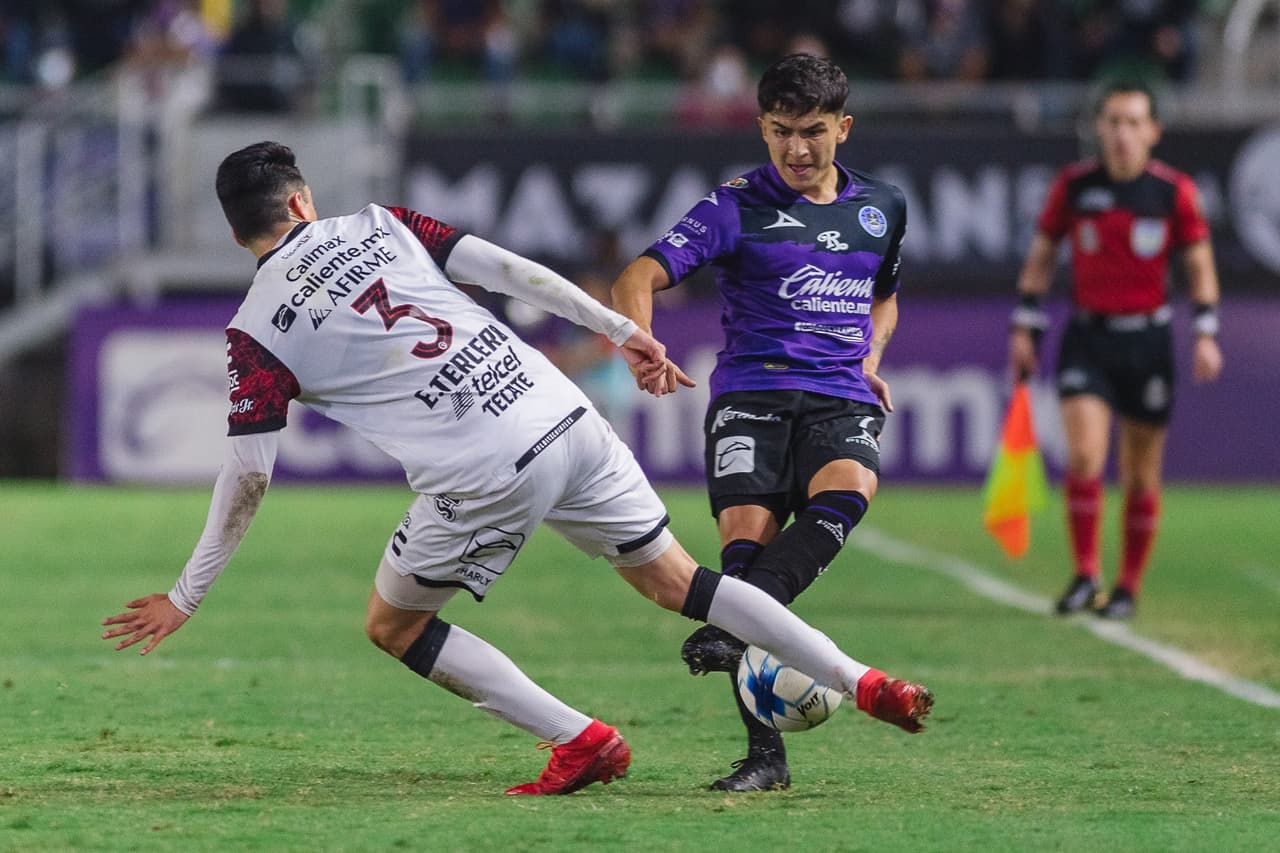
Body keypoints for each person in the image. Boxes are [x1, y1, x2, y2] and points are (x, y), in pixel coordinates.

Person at [101, 141, 933, 797]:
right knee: (682, 581)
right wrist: (617, 327)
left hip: (482, 468)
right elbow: (509, 271)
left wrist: (187, 593)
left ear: (238, 229)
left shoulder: (254, 332)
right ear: (299, 201)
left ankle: (580, 738)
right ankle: (863, 680)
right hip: (563, 413)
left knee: (393, 626)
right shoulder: (382, 223)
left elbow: (249, 474)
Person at [610, 54, 907, 792]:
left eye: (812, 132)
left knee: (848, 493)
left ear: (844, 127)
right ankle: (764, 758)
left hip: (839, 392)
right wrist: (640, 337)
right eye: (780, 132)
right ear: (761, 127)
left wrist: (873, 354)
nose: (797, 150)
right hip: (752, 395)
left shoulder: (882, 208)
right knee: (743, 561)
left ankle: (731, 623)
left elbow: (886, 294)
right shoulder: (731, 206)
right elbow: (635, 277)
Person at [1008, 79, 1222, 620]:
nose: (1123, 134)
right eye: (1114, 122)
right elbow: (1042, 254)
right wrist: (1025, 325)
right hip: (1088, 337)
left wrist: (1206, 330)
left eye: (1133, 122)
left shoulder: (1173, 192)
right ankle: (1085, 574)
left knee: (1141, 472)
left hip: (1148, 340)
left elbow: (1198, 262)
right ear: (1099, 129)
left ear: (1153, 131)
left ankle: (1126, 586)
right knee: (1083, 455)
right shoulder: (1076, 187)